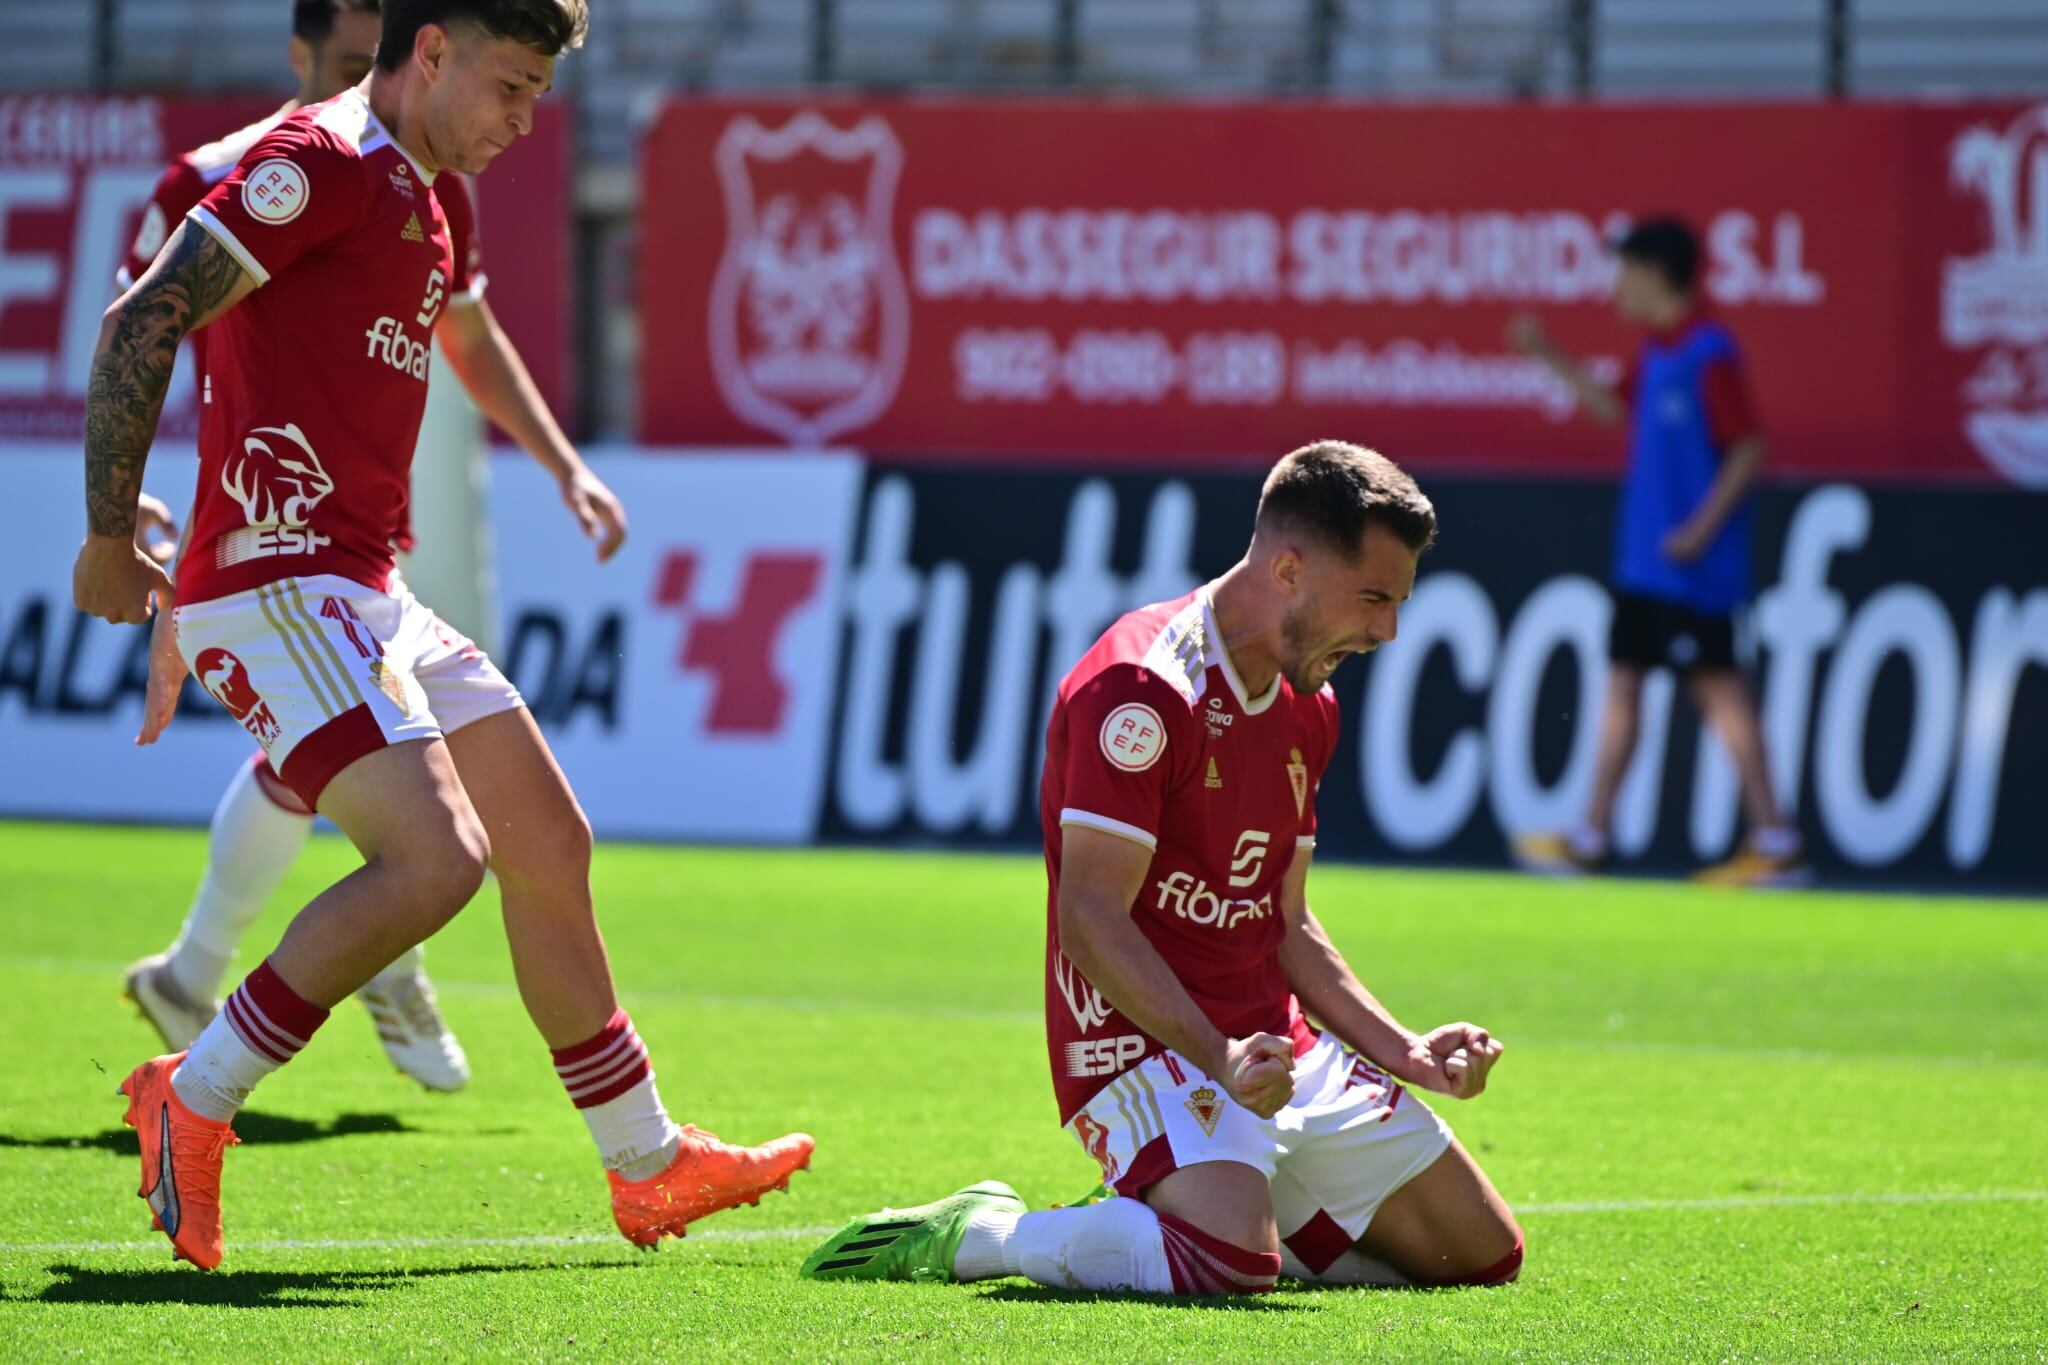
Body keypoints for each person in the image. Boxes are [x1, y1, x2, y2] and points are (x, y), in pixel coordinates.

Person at [72, 0, 813, 1271]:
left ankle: (644, 1162)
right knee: (435, 863)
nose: (526, 121)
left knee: (547, 842)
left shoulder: (426, 199)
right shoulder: (318, 164)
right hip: (279, 577)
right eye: (512, 86)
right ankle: (190, 1094)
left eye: (538, 94)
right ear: (430, 53)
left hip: (363, 585)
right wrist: (108, 536)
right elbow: (142, 321)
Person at [802, 442, 1522, 1295]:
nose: (1387, 631)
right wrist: (1217, 1054)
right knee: (1227, 1268)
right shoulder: (1143, 689)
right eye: (1374, 599)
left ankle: (1169, 1218)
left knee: (1479, 1258)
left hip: (1264, 1048)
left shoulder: (1309, 707)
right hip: (1139, 1048)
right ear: (1289, 568)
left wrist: (1406, 1049)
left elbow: (1283, 921)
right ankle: (987, 1232)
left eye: (1398, 603)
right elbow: (1091, 919)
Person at [118, 0, 478, 1094]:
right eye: (348, 58)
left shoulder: (432, 177)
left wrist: (561, 463)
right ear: (302, 54)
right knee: (412, 820)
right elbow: (138, 323)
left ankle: (203, 974)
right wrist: (132, 510)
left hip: (384, 520)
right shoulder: (242, 172)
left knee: (421, 783)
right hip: (276, 525)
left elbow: (471, 333)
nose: (368, 77)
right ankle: (371, 964)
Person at [1507, 216, 1807, 887]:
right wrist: (1548, 356)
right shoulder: (1657, 351)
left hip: (1695, 568)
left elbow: (1749, 447)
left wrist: (1701, 529)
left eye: (1625, 267)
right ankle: (1591, 834)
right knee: (1623, 684)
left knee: (1721, 688)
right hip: (1644, 561)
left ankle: (1777, 839)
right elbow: (1615, 411)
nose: (1616, 282)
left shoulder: (1709, 351)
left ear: (1654, 272)